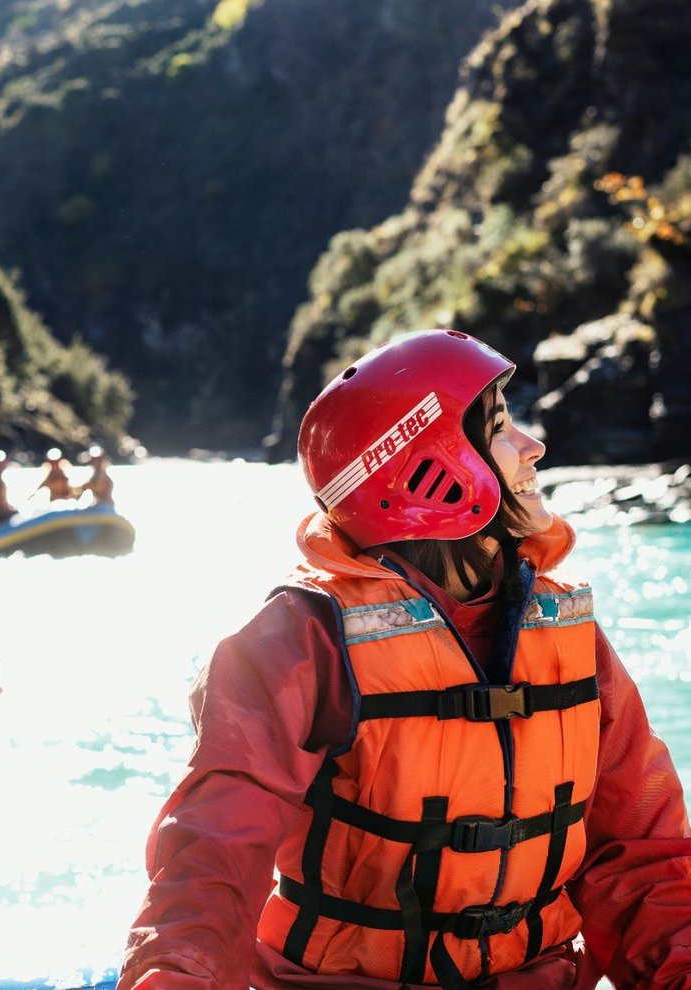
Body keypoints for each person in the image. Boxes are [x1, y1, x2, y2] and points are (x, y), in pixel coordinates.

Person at [119, 329, 691, 989]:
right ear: (436, 467)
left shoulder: (568, 634)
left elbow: (642, 861)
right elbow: (210, 859)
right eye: (502, 426)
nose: (534, 445)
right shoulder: (297, 640)